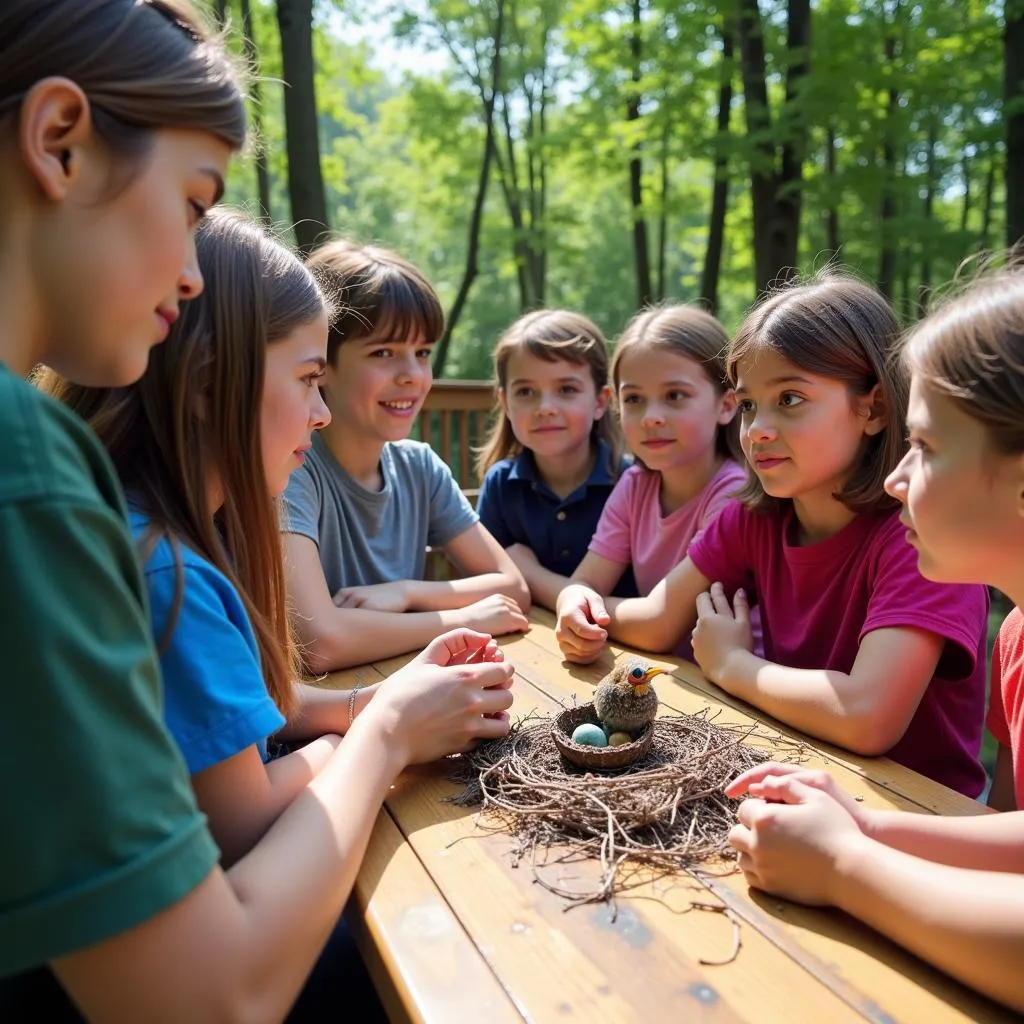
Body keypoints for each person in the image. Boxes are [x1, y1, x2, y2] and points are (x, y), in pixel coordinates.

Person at [0, 4, 514, 1021]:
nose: (190, 273)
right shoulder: (38, 479)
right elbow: (210, 999)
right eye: (193, 204)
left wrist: (359, 714)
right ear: (58, 143)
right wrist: (383, 735)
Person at [555, 273, 988, 795]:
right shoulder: (753, 520)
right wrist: (581, 598)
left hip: (915, 811)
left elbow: (867, 715)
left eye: (789, 399)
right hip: (792, 779)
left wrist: (733, 663)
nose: (757, 428)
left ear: (872, 408)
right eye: (748, 404)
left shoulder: (920, 538)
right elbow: (655, 622)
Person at [725, 267, 1024, 1013]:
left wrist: (846, 865)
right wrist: (868, 824)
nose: (896, 478)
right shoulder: (1018, 635)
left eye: (923, 446)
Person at [282, 239, 530, 672]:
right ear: (324, 365)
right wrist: (460, 620)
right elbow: (318, 641)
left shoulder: (418, 466)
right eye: (383, 353)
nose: (413, 376)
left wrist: (407, 593)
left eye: (422, 353)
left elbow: (512, 586)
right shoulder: (290, 466)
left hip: (401, 684)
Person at [516, 306, 744, 655]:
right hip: (666, 676)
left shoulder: (732, 496)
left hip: (731, 692)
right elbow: (586, 583)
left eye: (674, 396)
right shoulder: (635, 485)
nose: (651, 417)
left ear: (726, 406)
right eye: (634, 399)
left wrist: (590, 611)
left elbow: (659, 626)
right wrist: (576, 603)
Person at [474, 309, 636, 605]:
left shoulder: (632, 483)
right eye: (525, 391)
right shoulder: (500, 485)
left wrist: (527, 572)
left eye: (566, 389)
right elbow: (488, 588)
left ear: (601, 402)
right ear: (505, 404)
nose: (545, 407)